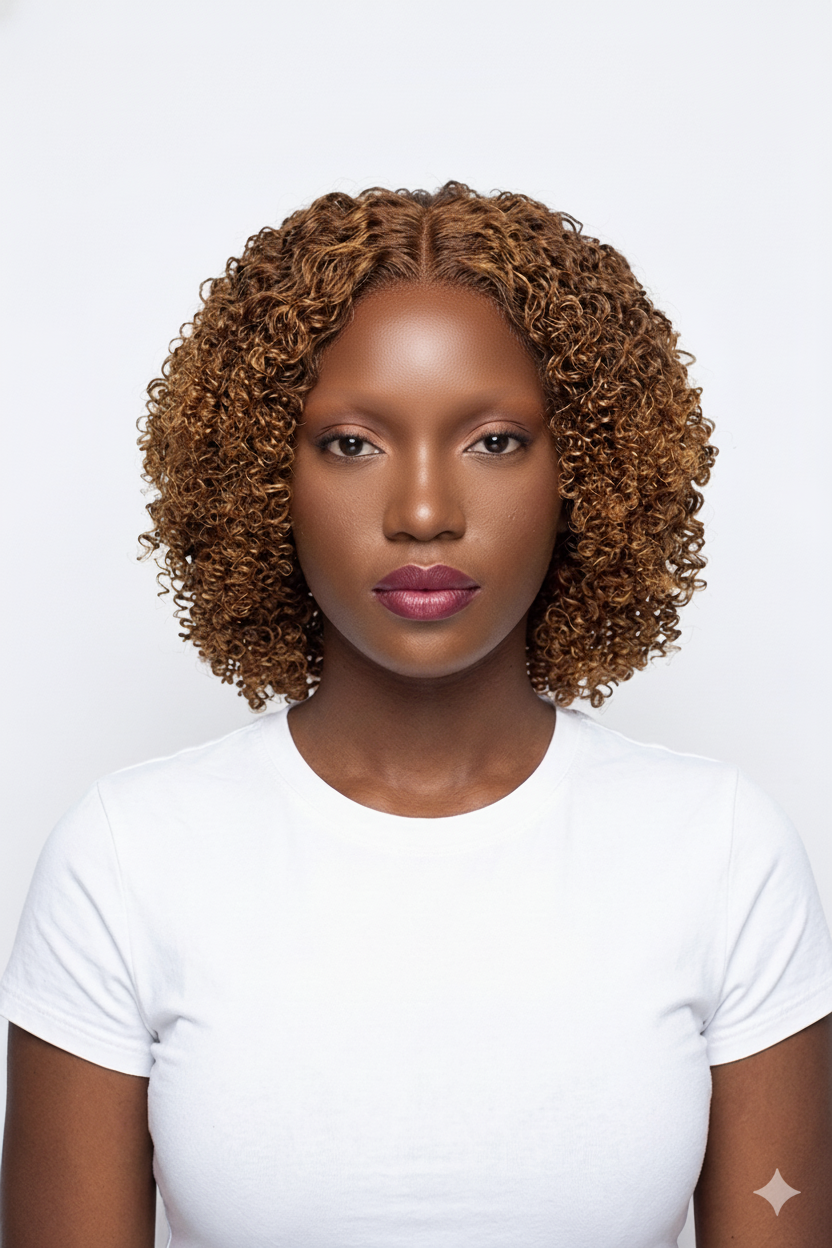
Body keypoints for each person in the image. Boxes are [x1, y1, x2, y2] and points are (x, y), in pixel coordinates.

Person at [1, 182, 830, 1248]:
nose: (425, 513)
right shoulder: (127, 858)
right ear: (260, 475)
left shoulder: (720, 851)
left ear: (587, 468)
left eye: (495, 441)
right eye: (353, 444)